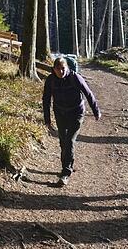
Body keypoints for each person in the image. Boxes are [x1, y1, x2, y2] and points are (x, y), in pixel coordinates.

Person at [43, 57, 101, 186]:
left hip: (76, 112)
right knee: (63, 141)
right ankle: (69, 163)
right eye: (58, 69)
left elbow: (88, 93)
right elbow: (46, 99)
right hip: (60, 112)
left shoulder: (75, 78)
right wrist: (47, 119)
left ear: (67, 68)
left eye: (63, 68)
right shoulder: (50, 80)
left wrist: (96, 111)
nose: (61, 71)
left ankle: (65, 173)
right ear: (54, 69)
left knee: (69, 140)